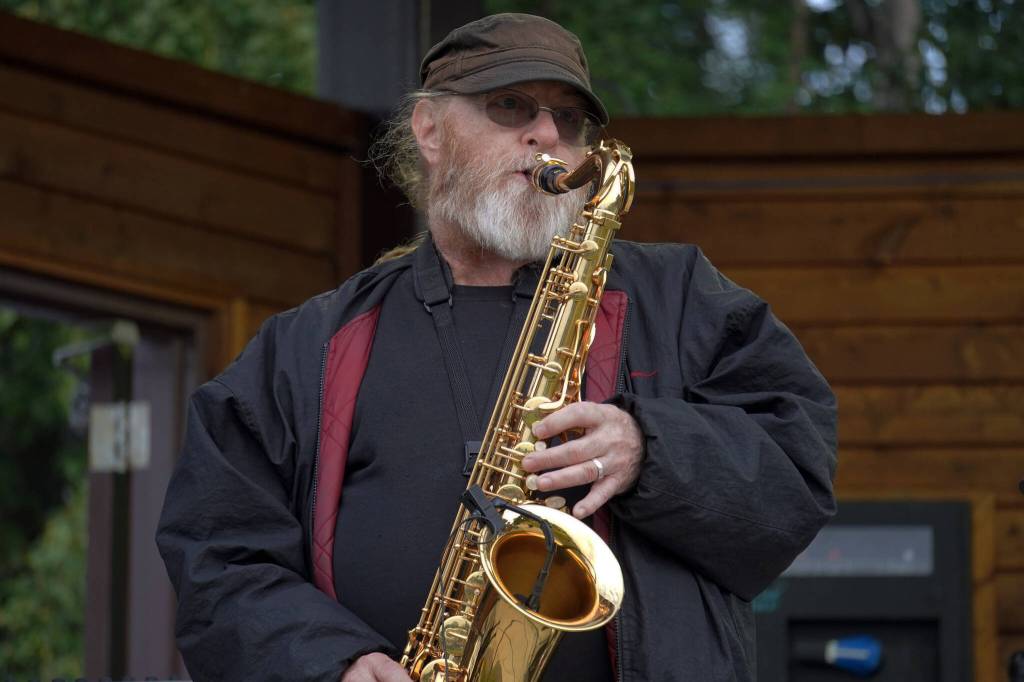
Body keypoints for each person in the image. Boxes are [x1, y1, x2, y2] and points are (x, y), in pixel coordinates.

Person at [156, 13, 837, 682]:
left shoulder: (681, 295)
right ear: (429, 129)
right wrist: (328, 661)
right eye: (511, 107)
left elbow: (795, 466)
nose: (548, 135)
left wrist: (648, 447)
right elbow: (216, 552)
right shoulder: (307, 343)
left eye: (569, 120)